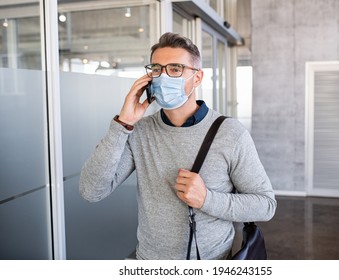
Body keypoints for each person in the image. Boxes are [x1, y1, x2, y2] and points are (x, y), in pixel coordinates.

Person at [79, 32, 276, 260]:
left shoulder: (230, 133)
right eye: (156, 69)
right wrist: (123, 123)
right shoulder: (140, 131)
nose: (163, 77)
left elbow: (265, 205)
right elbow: (91, 191)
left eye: (175, 69)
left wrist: (206, 199)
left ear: (198, 78)